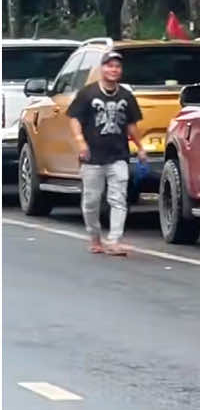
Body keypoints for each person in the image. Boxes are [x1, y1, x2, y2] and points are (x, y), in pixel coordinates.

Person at [67, 50, 147, 256]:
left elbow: (131, 125)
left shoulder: (126, 96)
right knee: (91, 201)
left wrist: (140, 147)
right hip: (92, 157)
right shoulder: (87, 94)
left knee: (118, 199)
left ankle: (114, 240)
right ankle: (94, 236)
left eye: (117, 66)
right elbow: (74, 119)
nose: (113, 70)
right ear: (101, 69)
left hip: (118, 155)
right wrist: (80, 142)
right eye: (109, 65)